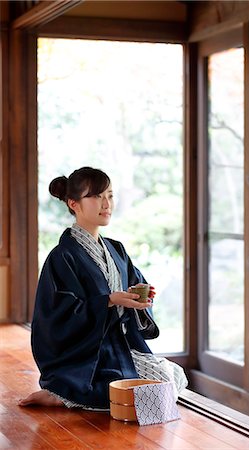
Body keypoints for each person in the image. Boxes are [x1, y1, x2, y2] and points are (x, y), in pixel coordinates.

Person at [19, 167, 187, 410]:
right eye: (96, 196)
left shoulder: (116, 250)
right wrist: (108, 300)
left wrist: (139, 298)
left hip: (120, 346)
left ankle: (66, 395)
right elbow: (57, 315)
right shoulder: (62, 256)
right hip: (87, 356)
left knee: (171, 377)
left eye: (109, 195)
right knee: (135, 390)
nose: (106, 203)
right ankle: (60, 392)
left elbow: (132, 289)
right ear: (73, 203)